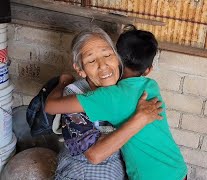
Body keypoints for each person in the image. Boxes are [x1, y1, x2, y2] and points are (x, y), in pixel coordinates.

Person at [45, 28, 188, 180]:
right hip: (175, 168)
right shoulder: (149, 85)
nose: (103, 65)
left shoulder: (114, 93)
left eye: (107, 55)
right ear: (80, 69)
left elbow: (51, 106)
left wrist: (62, 82)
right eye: (92, 60)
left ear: (118, 58)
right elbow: (94, 156)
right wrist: (140, 119)